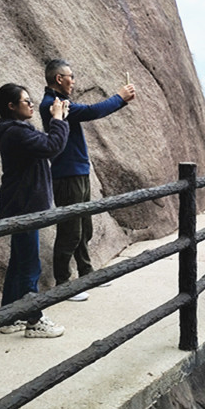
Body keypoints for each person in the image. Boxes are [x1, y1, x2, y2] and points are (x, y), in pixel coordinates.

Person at [39, 59, 136, 301]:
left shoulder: (60, 101)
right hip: (67, 174)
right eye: (70, 76)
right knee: (70, 230)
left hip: (78, 171)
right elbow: (92, 111)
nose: (73, 81)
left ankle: (86, 273)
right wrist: (120, 97)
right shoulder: (53, 104)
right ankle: (63, 284)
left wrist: (121, 100)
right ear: (59, 78)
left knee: (84, 228)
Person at [0, 83, 70, 338]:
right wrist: (58, 119)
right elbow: (52, 146)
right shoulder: (16, 132)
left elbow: (46, 146)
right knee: (30, 264)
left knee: (19, 261)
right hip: (24, 205)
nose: (32, 104)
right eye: (26, 101)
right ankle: (34, 319)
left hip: (18, 203)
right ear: (12, 106)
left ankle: (10, 316)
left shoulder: (14, 130)